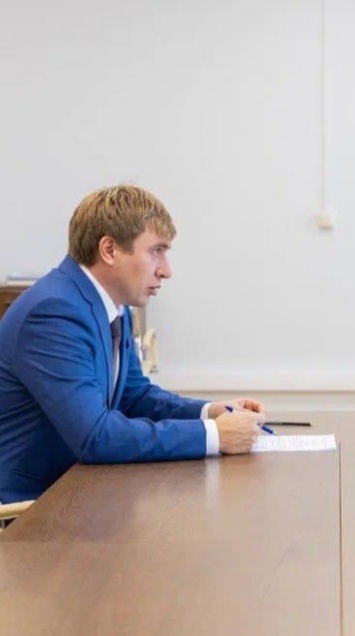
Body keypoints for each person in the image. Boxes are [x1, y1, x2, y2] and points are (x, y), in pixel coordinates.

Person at [0, 185, 266, 504]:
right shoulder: (53, 312)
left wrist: (209, 412)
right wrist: (215, 436)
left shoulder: (113, 305)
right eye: (156, 251)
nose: (166, 270)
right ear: (109, 250)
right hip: (27, 511)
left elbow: (134, 395)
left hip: (77, 494)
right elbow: (95, 437)